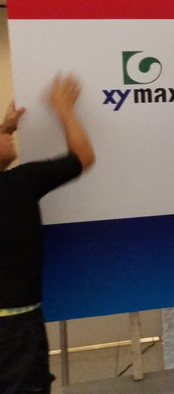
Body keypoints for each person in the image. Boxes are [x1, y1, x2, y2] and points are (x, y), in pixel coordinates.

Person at [0, 75, 95, 394]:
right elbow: (82, 157)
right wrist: (64, 109)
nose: (7, 136)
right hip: (15, 332)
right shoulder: (18, 184)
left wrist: (7, 128)